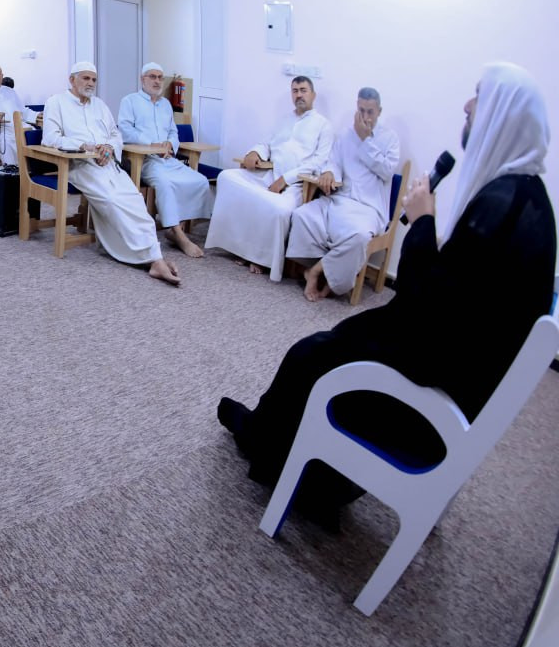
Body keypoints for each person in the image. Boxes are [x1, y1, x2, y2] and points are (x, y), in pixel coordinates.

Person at [218, 62, 555, 524]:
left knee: (309, 354)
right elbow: (457, 297)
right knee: (336, 332)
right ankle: (319, 477)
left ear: (504, 117)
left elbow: (424, 301)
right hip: (457, 373)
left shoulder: (500, 206)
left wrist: (424, 221)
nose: (466, 105)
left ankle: (270, 450)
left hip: (430, 396)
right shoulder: (527, 199)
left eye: (478, 96)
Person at [43, 62, 181, 285]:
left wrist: (109, 147)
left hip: (108, 164)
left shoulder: (100, 105)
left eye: (94, 80)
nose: (91, 83)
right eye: (86, 78)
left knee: (135, 199)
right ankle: (152, 259)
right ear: (72, 79)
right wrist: (84, 146)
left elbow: (116, 135)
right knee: (112, 200)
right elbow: (50, 138)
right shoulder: (56, 102)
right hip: (79, 165)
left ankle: (154, 256)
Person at [205, 76, 333, 279]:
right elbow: (266, 143)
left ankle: (261, 258)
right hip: (269, 176)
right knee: (226, 177)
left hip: (297, 185)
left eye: (303, 90)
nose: (299, 95)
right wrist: (254, 153)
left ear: (313, 95)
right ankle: (240, 249)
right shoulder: (284, 120)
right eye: (295, 91)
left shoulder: (323, 125)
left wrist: (285, 180)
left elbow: (319, 162)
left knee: (280, 209)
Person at [287, 87, 401, 301]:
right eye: (361, 110)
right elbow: (334, 162)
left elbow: (386, 171)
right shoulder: (346, 135)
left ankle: (317, 272)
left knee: (358, 237)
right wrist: (330, 172)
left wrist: (366, 140)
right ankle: (316, 269)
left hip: (368, 208)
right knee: (303, 215)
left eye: (370, 112)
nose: (365, 117)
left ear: (379, 111)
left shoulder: (390, 139)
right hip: (340, 200)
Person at [118, 62, 213, 258]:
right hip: (144, 160)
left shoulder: (166, 104)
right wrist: (151, 144)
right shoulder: (130, 101)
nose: (157, 81)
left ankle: (178, 227)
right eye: (152, 77)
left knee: (199, 181)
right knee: (166, 184)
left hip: (168, 159)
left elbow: (173, 132)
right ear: (142, 79)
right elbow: (125, 130)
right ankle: (179, 235)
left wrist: (170, 144)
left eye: (160, 77)